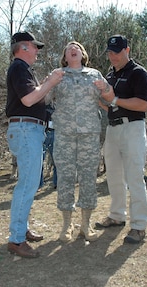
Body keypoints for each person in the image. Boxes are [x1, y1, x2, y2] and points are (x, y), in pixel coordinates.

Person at [5, 31, 63, 258]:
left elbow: (37, 98)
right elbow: (28, 99)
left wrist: (49, 85)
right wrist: (50, 81)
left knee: (28, 183)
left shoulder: (23, 69)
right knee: (28, 185)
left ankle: (22, 229)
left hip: (29, 129)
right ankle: (16, 239)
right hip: (26, 129)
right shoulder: (19, 67)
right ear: (24, 47)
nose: (38, 50)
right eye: (35, 46)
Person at [46, 41, 106, 243]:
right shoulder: (58, 75)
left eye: (77, 48)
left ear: (83, 54)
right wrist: (49, 83)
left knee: (89, 178)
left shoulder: (95, 74)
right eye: (69, 48)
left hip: (89, 135)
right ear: (65, 56)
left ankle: (86, 224)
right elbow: (43, 100)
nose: (73, 49)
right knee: (65, 178)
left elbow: (107, 101)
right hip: (64, 135)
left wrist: (106, 89)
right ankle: (66, 225)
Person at [94, 35, 147, 244]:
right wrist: (101, 100)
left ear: (127, 50)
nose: (112, 56)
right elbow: (110, 105)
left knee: (135, 177)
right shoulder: (109, 75)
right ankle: (117, 216)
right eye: (109, 52)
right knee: (114, 176)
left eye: (116, 52)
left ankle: (139, 225)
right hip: (112, 129)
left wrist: (115, 99)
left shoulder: (138, 73)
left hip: (133, 128)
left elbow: (143, 104)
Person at [39, 103, 57, 189]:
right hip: (43, 133)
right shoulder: (41, 105)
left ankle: (56, 183)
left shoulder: (60, 105)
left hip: (55, 133)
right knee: (39, 161)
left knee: (57, 161)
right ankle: (39, 183)